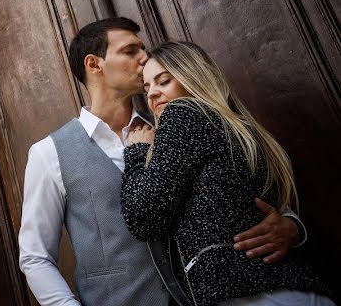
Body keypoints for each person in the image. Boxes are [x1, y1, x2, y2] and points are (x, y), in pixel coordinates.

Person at [19, 18, 303, 306]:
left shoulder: (173, 127)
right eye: (131, 51)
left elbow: (242, 186)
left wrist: (291, 226)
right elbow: (35, 257)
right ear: (94, 65)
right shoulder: (49, 153)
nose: (145, 58)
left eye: (143, 49)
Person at [122, 41, 333, 306]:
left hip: (251, 297)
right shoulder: (241, 130)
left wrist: (137, 152)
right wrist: (294, 227)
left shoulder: (183, 114)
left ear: (193, 77)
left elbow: (143, 217)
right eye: (146, 88)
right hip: (295, 292)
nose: (152, 94)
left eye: (163, 81)